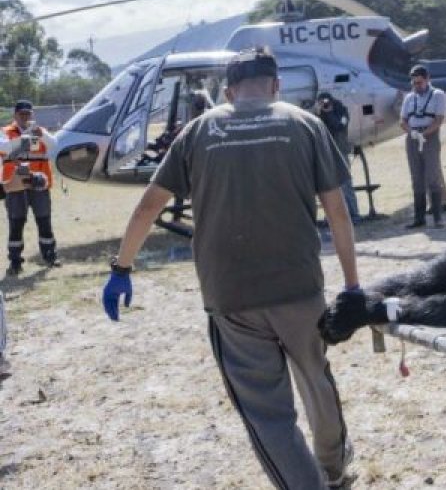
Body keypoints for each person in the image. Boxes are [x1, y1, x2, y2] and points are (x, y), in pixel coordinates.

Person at [101, 47, 360, 489]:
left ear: (229, 89)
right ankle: (333, 470)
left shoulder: (199, 130)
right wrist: (353, 287)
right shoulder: (306, 125)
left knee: (266, 413)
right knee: (317, 378)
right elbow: (338, 212)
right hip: (299, 285)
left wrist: (122, 267)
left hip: (231, 296)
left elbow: (149, 206)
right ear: (276, 85)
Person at [1, 100, 60, 275]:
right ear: (15, 115)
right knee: (16, 223)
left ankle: (50, 256)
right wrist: (25, 138)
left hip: (39, 185)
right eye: (22, 114)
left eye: (28, 114)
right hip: (15, 185)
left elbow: (54, 144)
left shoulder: (40, 132)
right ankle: (15, 261)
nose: (25, 117)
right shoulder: (5, 132)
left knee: (44, 221)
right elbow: (4, 147)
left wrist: (40, 133)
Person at [398, 64, 446, 229]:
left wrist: (424, 134)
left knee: (432, 175)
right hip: (412, 138)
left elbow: (439, 120)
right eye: (414, 83)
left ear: (427, 80)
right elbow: (402, 120)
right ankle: (419, 218)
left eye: (419, 83)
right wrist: (411, 132)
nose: (416, 86)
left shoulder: (438, 95)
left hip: (430, 137)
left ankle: (438, 217)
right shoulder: (409, 98)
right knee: (416, 178)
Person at [315, 92, 361, 222]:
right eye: (322, 103)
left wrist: (329, 112)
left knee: (346, 184)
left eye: (326, 102)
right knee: (328, 185)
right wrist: (319, 113)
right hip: (326, 152)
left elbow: (339, 126)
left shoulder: (341, 110)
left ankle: (354, 214)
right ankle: (331, 216)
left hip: (340, 151)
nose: (325, 105)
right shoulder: (319, 114)